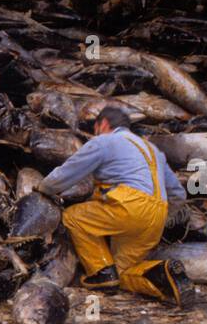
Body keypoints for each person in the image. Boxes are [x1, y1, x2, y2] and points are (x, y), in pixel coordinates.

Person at [36, 105, 194, 305]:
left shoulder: (105, 141)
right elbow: (178, 194)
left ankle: (101, 272)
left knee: (74, 217)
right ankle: (165, 275)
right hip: (157, 214)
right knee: (124, 272)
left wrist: (43, 188)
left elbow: (69, 172)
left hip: (129, 206)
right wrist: (160, 216)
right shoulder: (153, 150)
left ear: (103, 124)